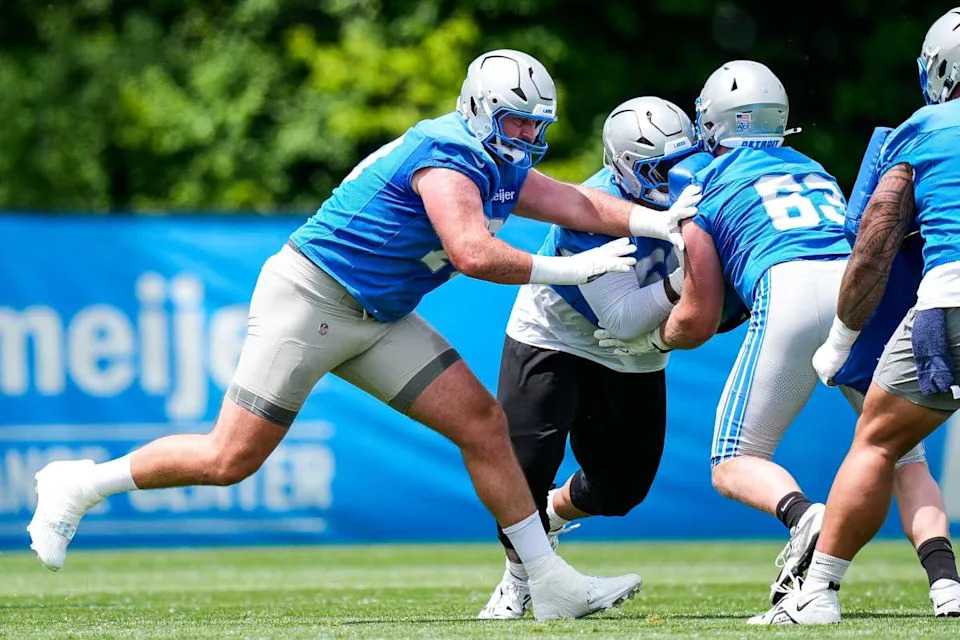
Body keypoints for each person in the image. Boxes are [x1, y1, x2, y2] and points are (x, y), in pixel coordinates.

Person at [26, 49, 702, 621]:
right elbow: (470, 252)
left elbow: (574, 201)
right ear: (478, 109)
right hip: (312, 299)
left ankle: (546, 580)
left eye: (535, 125)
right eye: (515, 121)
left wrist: (659, 222)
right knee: (229, 459)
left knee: (481, 423)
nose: (525, 136)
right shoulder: (448, 152)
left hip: (377, 314)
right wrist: (574, 264)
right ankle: (80, 485)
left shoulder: (495, 156)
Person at [628, 59, 956, 615]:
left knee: (732, 461)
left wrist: (651, 340)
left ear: (713, 122)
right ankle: (945, 581)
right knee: (901, 455)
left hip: (790, 286)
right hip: (857, 285)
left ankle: (806, 516)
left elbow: (701, 310)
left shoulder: (698, 181)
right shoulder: (812, 165)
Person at [754, 8, 960, 624]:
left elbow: (872, 245)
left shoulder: (923, 128)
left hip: (952, 299)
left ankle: (815, 594)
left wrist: (840, 340)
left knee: (877, 441)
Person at [477, 96, 698, 619]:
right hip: (557, 333)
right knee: (524, 468)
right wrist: (690, 276)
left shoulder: (703, 187)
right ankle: (521, 580)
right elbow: (620, 317)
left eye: (678, 161)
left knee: (622, 487)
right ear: (623, 165)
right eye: (656, 168)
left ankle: (550, 517)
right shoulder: (592, 207)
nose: (673, 176)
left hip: (635, 346)